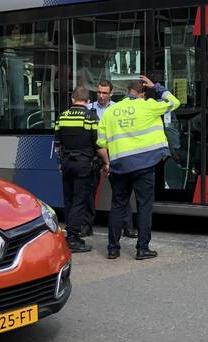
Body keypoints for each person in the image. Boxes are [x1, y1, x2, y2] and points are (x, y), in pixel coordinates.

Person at [97, 75, 181, 260]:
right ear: (142, 94)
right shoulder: (148, 105)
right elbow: (174, 102)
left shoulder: (111, 111)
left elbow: (101, 142)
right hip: (144, 166)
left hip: (119, 166)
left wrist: (107, 163)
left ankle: (113, 249)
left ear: (127, 92)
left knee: (118, 206)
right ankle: (142, 249)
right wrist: (156, 86)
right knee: (144, 206)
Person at [82, 79, 134, 239]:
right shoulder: (89, 109)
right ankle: (86, 226)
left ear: (111, 94)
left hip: (113, 153)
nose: (101, 96)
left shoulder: (117, 109)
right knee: (88, 191)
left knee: (120, 191)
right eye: (99, 92)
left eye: (105, 93)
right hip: (94, 155)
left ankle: (128, 226)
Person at [54, 86, 102, 253]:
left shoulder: (62, 117)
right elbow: (98, 143)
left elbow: (58, 143)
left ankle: (71, 232)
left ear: (72, 99)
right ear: (88, 102)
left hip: (67, 163)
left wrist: (60, 162)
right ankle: (73, 237)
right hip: (84, 164)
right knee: (80, 200)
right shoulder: (91, 117)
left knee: (68, 199)